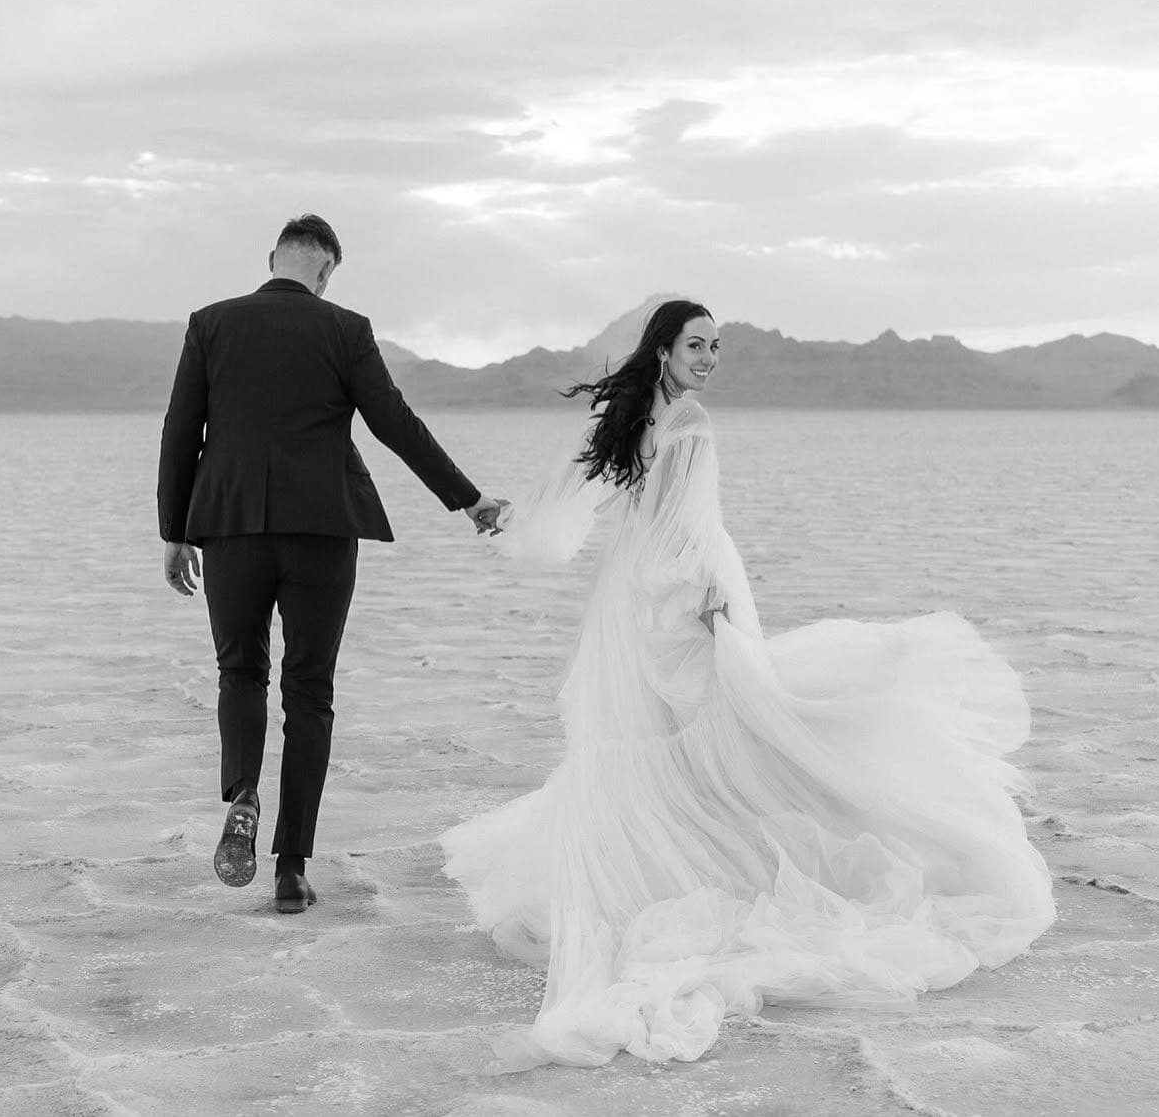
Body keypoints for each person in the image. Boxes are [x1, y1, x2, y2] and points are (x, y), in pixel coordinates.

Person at [440, 299, 1056, 1069]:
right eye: (696, 345)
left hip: (648, 592)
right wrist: (697, 595)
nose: (709, 358)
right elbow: (677, 523)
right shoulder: (677, 422)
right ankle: (688, 875)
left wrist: (513, 523)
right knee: (692, 737)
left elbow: (594, 509)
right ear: (662, 351)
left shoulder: (646, 417)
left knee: (697, 734)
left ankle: (683, 872)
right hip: (675, 590)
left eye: (716, 346)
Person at [158, 214, 505, 913]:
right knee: (309, 691)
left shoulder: (211, 323)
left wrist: (175, 530)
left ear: (274, 260)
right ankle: (291, 869)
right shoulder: (345, 328)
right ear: (324, 271)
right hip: (322, 529)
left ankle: (244, 791)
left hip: (230, 528)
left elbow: (180, 427)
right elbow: (394, 422)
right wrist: (466, 499)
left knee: (240, 671)